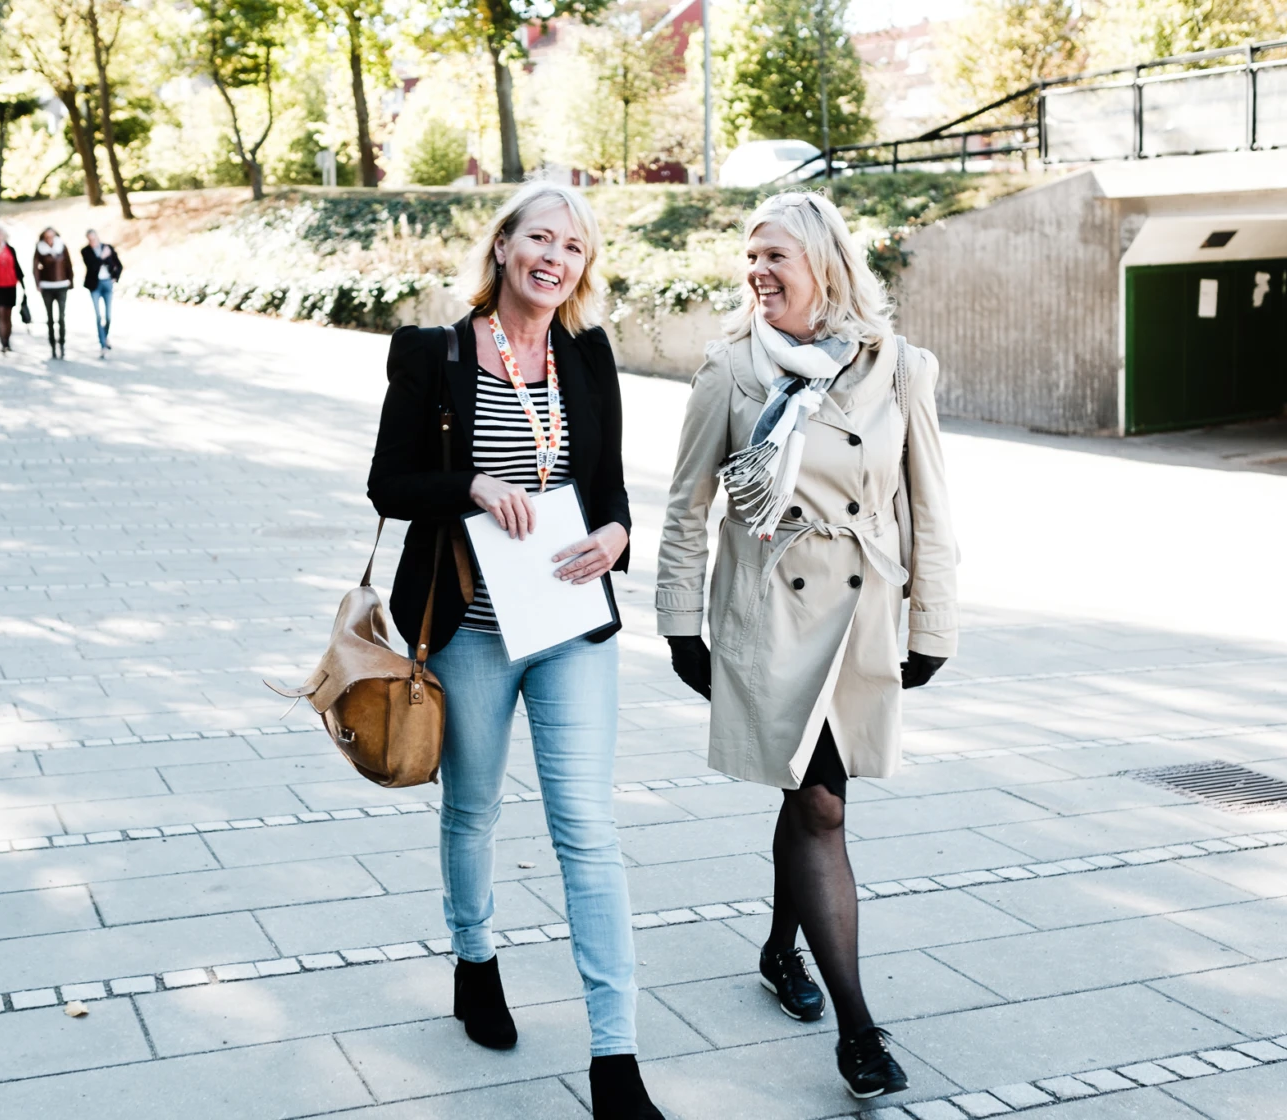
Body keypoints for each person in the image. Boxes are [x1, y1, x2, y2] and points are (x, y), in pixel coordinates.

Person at [367, 182, 663, 1120]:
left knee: (588, 831)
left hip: (570, 622)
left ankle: (615, 1058)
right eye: (541, 238)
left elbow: (609, 487)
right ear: (503, 245)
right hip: (471, 629)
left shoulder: (588, 353)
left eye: (574, 248)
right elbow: (388, 485)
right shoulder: (436, 352)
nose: (555, 258)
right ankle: (475, 961)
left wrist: (618, 535)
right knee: (473, 810)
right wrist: (472, 486)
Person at [655, 191, 959, 1103]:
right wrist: (680, 624)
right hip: (768, 614)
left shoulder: (899, 368)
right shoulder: (730, 371)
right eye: (750, 257)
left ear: (824, 263)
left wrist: (932, 622)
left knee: (814, 793)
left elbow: (930, 506)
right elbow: (687, 507)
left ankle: (782, 946)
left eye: (775, 256)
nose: (757, 272)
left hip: (860, 616)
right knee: (821, 803)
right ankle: (858, 1031)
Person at [80, 229, 123, 356]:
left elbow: (119, 265)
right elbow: (92, 267)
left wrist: (115, 277)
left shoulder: (108, 248)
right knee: (98, 316)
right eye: (90, 240)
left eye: (94, 239)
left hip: (107, 284)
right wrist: (102, 257)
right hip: (95, 286)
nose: (92, 242)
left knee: (108, 316)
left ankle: (105, 336)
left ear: (97, 237)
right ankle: (103, 344)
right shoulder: (86, 251)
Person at [33, 227, 73, 360]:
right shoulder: (40, 248)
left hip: (61, 285)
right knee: (49, 318)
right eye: (47, 237)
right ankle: (52, 346)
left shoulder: (62, 246)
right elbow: (35, 267)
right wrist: (37, 283)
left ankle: (62, 344)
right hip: (47, 286)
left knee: (61, 317)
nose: (50, 239)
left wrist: (71, 281)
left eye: (52, 236)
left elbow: (68, 264)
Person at [0, 225, 24, 354]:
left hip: (10, 285)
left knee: (9, 314)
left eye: (1, 234)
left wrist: (23, 284)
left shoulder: (11, 249)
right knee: (1, 313)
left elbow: (16, 267)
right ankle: (3, 343)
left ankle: (8, 341)